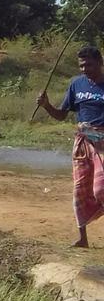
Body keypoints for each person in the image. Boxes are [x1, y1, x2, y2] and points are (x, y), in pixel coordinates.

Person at [36, 45, 104, 248]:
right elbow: (61, 115)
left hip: (103, 144)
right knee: (80, 189)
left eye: (89, 65)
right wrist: (46, 105)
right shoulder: (77, 84)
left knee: (101, 188)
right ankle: (83, 239)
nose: (85, 69)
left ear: (100, 63)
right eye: (82, 66)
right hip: (82, 142)